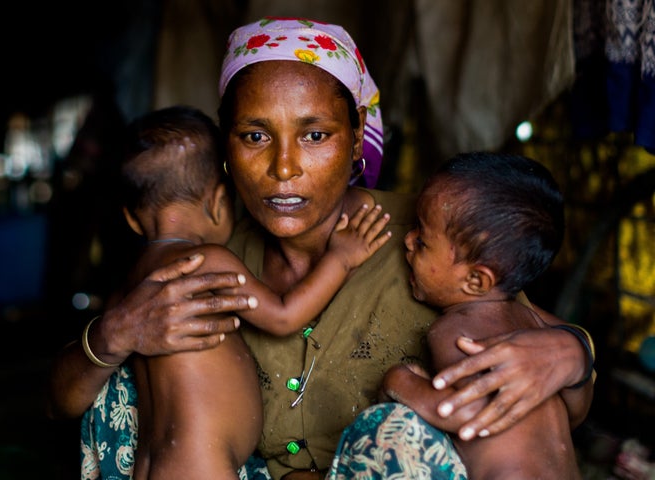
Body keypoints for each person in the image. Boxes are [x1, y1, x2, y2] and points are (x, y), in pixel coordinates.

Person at [47, 17, 595, 480]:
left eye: (315, 135)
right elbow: (61, 401)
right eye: (255, 136)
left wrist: (572, 355)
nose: (283, 169)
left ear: (356, 137)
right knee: (126, 367)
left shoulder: (430, 239)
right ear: (226, 149)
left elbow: (542, 379)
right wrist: (115, 333)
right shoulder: (204, 258)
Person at [113, 104, 391, 479]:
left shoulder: (130, 287)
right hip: (199, 465)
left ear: (131, 218)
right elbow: (282, 316)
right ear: (218, 202)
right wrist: (340, 258)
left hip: (151, 464)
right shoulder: (205, 261)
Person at [374, 152, 584, 479]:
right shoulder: (536, 324)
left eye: (423, 239)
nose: (408, 239)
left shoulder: (458, 329)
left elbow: (467, 410)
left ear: (476, 280)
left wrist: (398, 381)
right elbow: (572, 409)